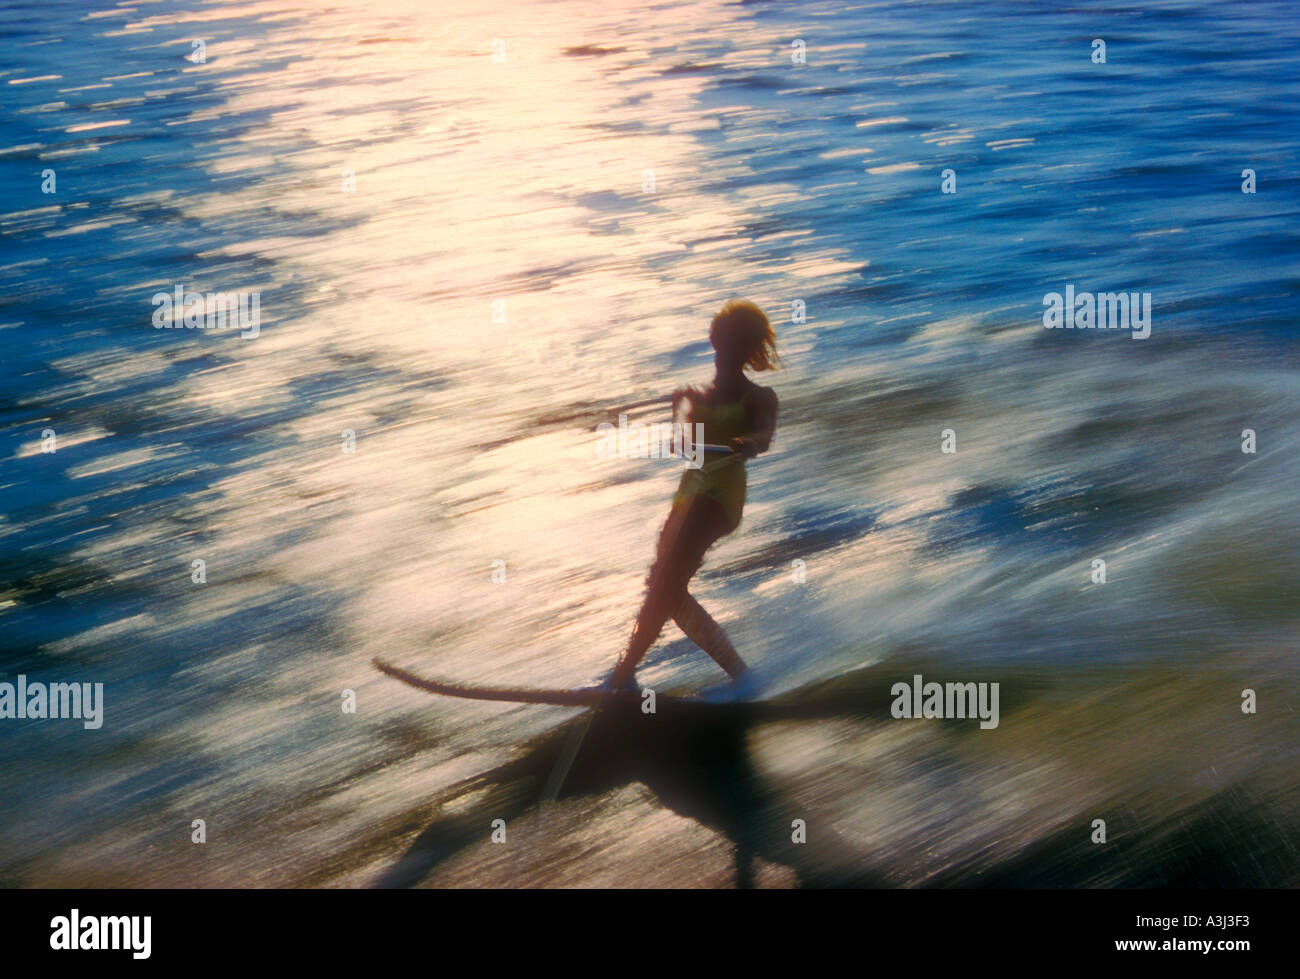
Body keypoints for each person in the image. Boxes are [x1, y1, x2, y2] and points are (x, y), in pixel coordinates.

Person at [607, 300, 779, 696]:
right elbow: (683, 448)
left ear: (746, 349)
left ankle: (622, 676)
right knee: (664, 586)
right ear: (713, 342)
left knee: (666, 583)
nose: (724, 354)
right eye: (721, 344)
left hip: (719, 499)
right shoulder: (698, 397)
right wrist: (678, 411)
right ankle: (740, 676)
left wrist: (747, 443)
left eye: (734, 347)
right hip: (689, 496)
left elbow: (764, 437)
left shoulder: (760, 397)